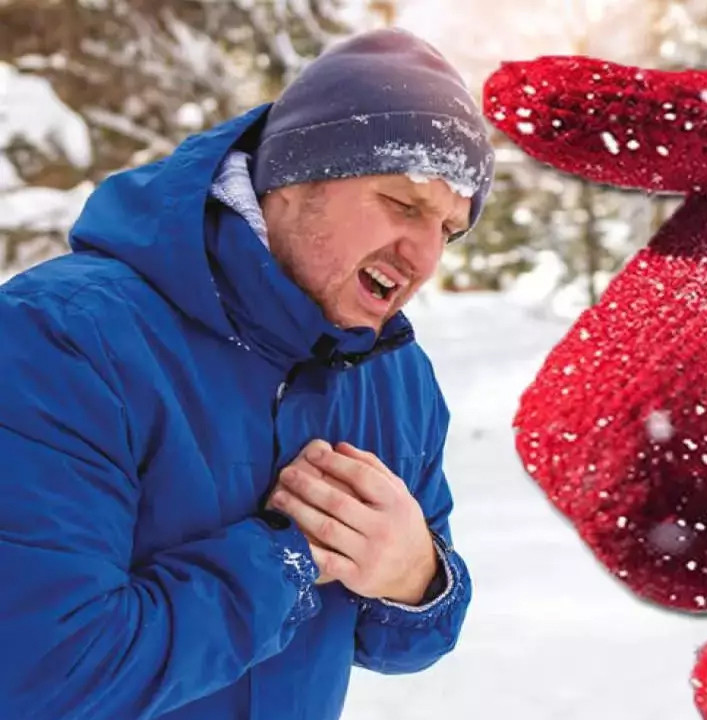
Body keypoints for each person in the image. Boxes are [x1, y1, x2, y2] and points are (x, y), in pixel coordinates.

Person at [0, 27, 493, 719]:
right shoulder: (61, 338)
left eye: (448, 228)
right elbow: (44, 673)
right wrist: (287, 562)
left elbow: (404, 642)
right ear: (291, 180)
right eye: (403, 204)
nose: (423, 254)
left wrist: (417, 576)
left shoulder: (395, 378)